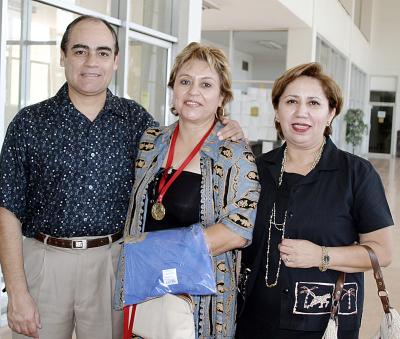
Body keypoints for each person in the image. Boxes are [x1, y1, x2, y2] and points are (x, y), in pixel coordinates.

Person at [0, 15, 244, 339]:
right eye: (80, 51)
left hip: (112, 264)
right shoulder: (29, 122)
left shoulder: (137, 121)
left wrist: (225, 126)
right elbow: (7, 209)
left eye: (102, 53)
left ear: (115, 61)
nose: (91, 62)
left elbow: (186, 138)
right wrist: (16, 290)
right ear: (63, 56)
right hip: (44, 263)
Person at [235, 62, 394, 339]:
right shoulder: (254, 169)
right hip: (255, 321)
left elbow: (383, 252)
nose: (301, 112)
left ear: (331, 113)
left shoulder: (356, 174)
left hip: (324, 324)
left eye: (314, 103)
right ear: (277, 110)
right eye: (291, 101)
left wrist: (321, 255)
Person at [114, 42, 260, 338]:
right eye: (185, 81)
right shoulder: (151, 141)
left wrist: (153, 256)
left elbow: (238, 230)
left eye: (206, 84)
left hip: (200, 302)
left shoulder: (234, 154)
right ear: (173, 90)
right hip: (144, 290)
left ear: (222, 96)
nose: (193, 92)